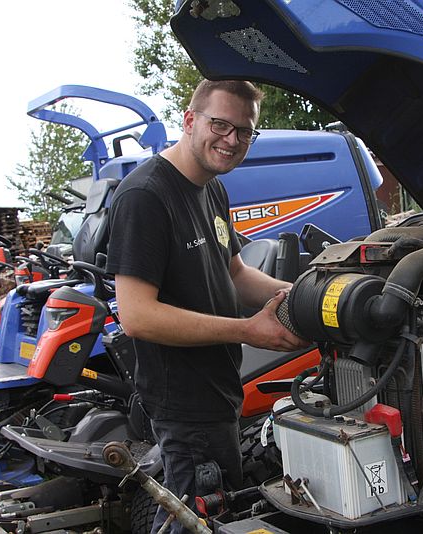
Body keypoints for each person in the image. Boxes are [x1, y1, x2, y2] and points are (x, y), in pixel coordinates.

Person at [105, 79, 307, 533]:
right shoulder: (146, 196)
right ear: (190, 119)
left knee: (196, 514)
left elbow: (234, 274)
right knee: (198, 521)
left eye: (244, 131)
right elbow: (137, 315)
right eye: (220, 124)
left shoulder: (211, 189)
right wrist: (246, 331)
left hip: (218, 391)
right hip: (184, 403)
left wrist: (304, 294)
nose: (232, 140)